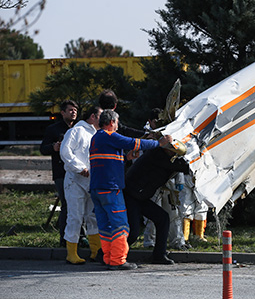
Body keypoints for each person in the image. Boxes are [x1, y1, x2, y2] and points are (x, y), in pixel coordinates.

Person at [89, 109, 172, 270]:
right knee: (121, 227)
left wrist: (126, 158)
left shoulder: (96, 138)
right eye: (117, 123)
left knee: (106, 228)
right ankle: (118, 260)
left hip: (97, 189)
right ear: (112, 122)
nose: (118, 126)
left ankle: (108, 258)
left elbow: (107, 160)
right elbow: (134, 143)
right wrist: (159, 143)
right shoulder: (109, 135)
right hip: (111, 189)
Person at [124, 146, 189, 264]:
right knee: (133, 232)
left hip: (140, 197)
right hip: (131, 196)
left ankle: (159, 255)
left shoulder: (161, 156)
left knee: (163, 218)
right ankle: (108, 254)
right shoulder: (156, 155)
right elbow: (182, 167)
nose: (175, 154)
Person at [60, 106, 103, 265]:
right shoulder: (76, 131)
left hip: (91, 181)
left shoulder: (97, 134)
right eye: (101, 117)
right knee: (75, 217)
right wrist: (79, 168)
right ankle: (71, 253)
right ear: (93, 117)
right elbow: (65, 152)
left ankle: (96, 251)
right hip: (75, 181)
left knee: (93, 217)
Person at [40, 100, 78, 246]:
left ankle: (79, 236)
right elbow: (43, 148)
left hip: (78, 171)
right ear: (62, 113)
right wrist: (54, 147)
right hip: (61, 172)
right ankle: (65, 239)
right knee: (67, 204)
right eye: (70, 110)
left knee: (79, 205)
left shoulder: (79, 128)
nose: (73, 112)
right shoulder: (53, 129)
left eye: (75, 110)